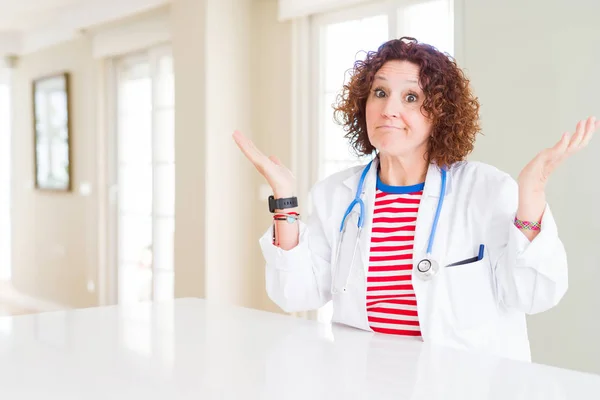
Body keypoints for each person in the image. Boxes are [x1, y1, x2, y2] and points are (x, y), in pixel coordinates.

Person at [232, 37, 598, 362]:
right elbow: (296, 294)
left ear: (440, 114)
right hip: (363, 382)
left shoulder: (485, 189)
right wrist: (284, 201)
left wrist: (532, 192)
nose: (389, 108)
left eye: (411, 97)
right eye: (379, 93)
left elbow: (533, 295)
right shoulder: (335, 195)